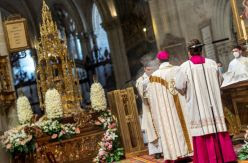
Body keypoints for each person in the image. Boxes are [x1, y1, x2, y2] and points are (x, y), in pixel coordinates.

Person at [175, 39, 236, 163]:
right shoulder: (212, 64)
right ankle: (226, 157)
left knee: (202, 130)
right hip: (214, 105)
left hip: (198, 108)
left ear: (189, 52)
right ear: (201, 50)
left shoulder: (185, 67)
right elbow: (220, 81)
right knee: (217, 128)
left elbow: (180, 86)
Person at [147, 51, 192, 162]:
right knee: (183, 126)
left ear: (158, 61)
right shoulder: (178, 69)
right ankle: (188, 151)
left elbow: (152, 99)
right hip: (181, 106)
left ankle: (173, 153)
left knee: (169, 127)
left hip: (165, 111)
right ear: (169, 58)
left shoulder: (153, 77)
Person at [136, 57, 162, 159]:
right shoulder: (140, 80)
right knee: (152, 130)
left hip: (158, 106)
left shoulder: (156, 76)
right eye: (149, 69)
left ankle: (164, 149)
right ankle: (157, 151)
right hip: (149, 108)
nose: (151, 71)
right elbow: (142, 93)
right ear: (145, 69)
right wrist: (147, 82)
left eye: (152, 69)